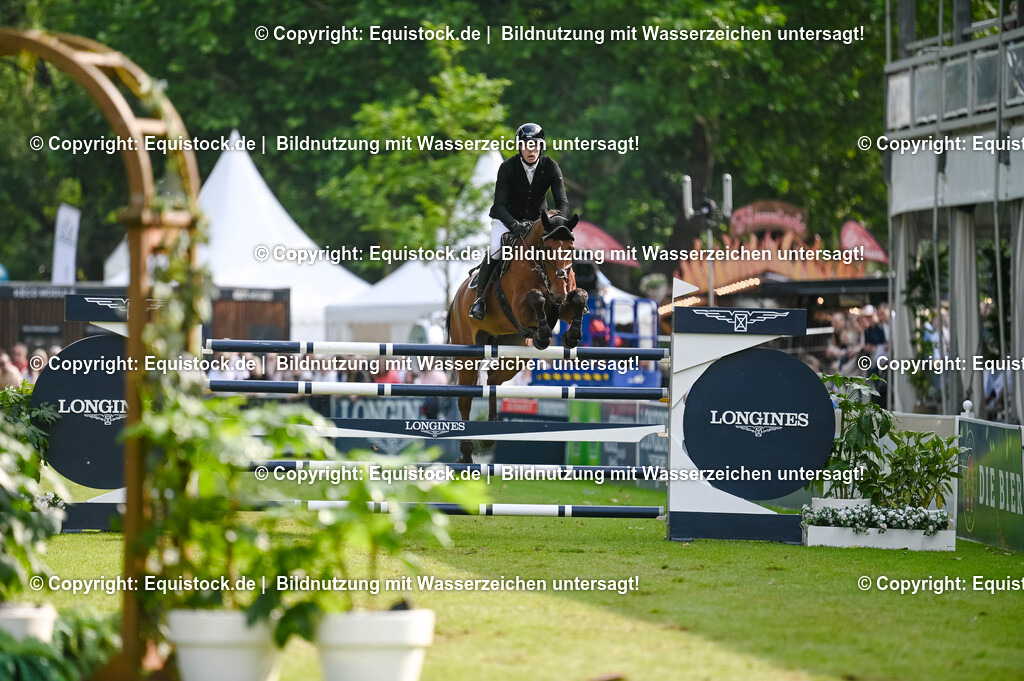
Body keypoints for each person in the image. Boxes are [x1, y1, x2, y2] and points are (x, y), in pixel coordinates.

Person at [469, 122, 570, 320]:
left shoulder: (551, 167)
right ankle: (479, 300)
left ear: (541, 147)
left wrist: (555, 223)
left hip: (538, 223)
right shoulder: (507, 168)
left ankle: (568, 292)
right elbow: (498, 206)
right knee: (498, 249)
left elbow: (563, 204)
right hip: (507, 220)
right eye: (526, 146)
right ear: (520, 147)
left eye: (535, 145)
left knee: (560, 249)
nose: (531, 150)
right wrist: (514, 225)